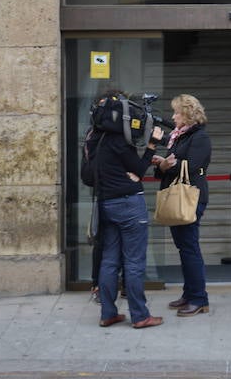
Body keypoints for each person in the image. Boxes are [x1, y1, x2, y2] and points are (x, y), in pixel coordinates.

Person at [96, 95, 165, 329]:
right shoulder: (118, 141)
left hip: (107, 204)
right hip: (128, 204)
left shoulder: (97, 140)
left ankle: (108, 313)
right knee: (134, 262)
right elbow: (137, 168)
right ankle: (140, 315)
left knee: (109, 261)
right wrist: (153, 144)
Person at [152, 94, 212, 317]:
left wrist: (168, 165)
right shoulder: (177, 137)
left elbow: (194, 166)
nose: (173, 116)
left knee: (189, 248)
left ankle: (199, 299)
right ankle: (189, 294)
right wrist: (163, 164)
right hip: (177, 194)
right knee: (184, 247)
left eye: (177, 112)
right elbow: (164, 168)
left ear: (188, 114)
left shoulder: (200, 137)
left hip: (190, 197)